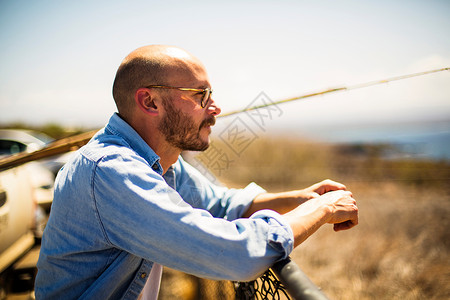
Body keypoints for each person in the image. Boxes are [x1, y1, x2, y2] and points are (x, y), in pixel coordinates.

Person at [35, 45, 358, 299]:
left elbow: (222, 205)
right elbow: (237, 256)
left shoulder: (160, 161)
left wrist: (303, 198)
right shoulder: (112, 172)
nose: (215, 108)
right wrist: (323, 209)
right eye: (200, 95)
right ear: (150, 101)